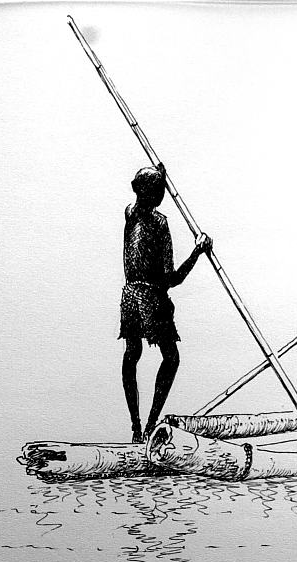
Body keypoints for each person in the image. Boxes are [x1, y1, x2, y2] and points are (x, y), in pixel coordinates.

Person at [120, 163, 212, 443]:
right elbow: (172, 279)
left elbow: (141, 199)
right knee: (171, 358)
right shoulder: (160, 222)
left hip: (129, 296)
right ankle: (148, 427)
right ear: (147, 191)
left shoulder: (129, 212)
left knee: (132, 354)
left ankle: (136, 428)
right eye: (158, 188)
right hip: (150, 298)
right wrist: (198, 251)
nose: (162, 193)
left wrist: (156, 173)